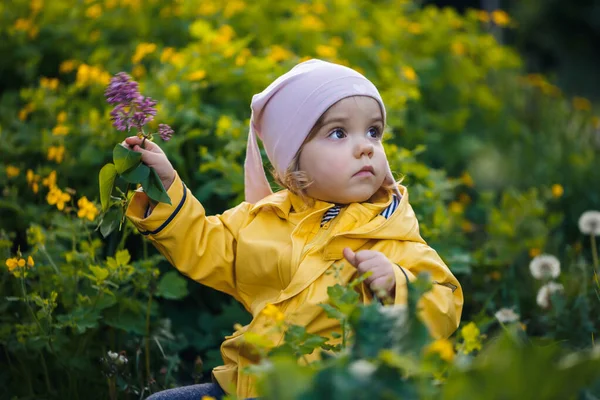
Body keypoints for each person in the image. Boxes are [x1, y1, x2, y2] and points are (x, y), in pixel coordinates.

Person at [124, 59, 463, 400]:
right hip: (252, 386)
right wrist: (166, 186)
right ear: (293, 161)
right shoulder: (262, 220)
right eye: (339, 133)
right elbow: (202, 244)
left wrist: (397, 283)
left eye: (373, 131)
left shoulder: (389, 229)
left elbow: (444, 301)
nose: (366, 146)